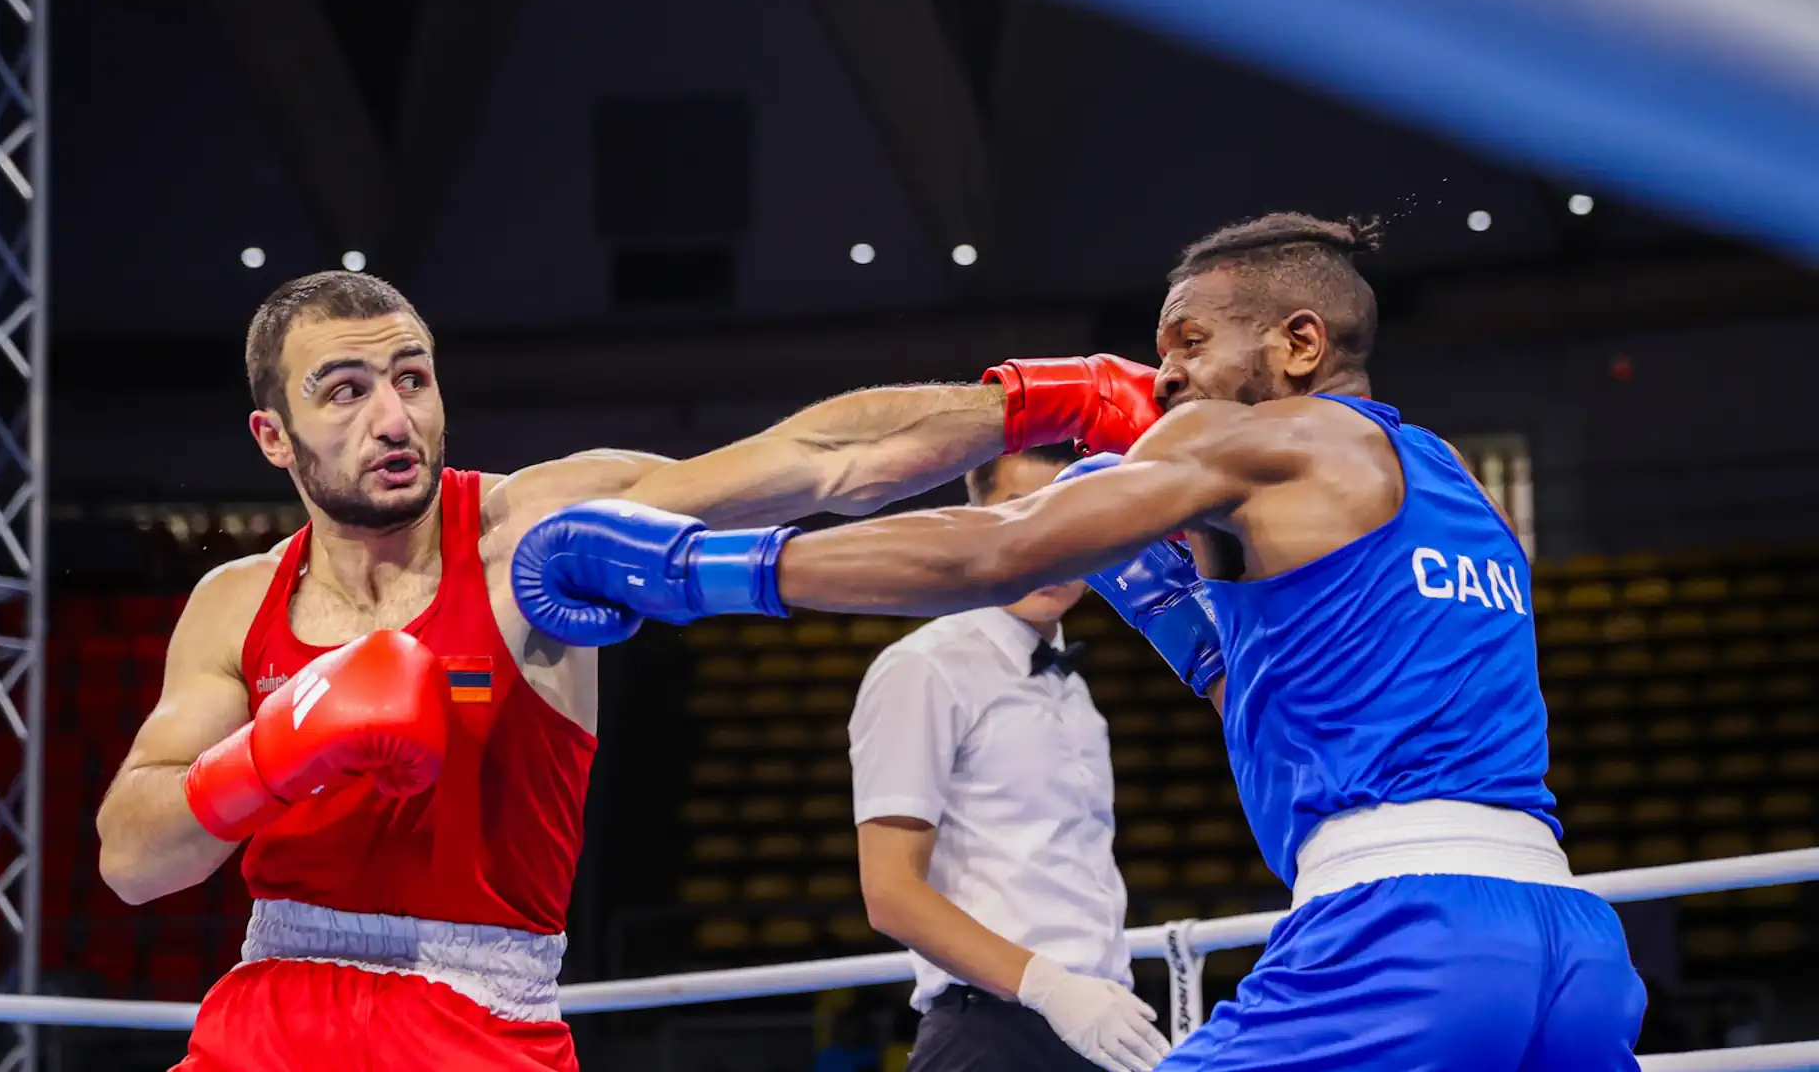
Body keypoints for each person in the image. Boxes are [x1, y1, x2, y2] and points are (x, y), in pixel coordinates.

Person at [512, 213, 1649, 1071]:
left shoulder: (1258, 443)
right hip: (1573, 949)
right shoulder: (1456, 487)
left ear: (1300, 342)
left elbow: (992, 551)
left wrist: (703, 572)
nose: (1167, 378)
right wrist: (1193, 632)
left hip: (1402, 936)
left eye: (1192, 342)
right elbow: (1324, 698)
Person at [93, 269, 1168, 1070]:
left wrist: (1051, 400)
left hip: (473, 1023)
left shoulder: (529, 530)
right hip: (264, 1014)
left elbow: (822, 461)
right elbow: (134, 862)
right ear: (273, 436)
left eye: (412, 379)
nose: (393, 418)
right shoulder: (236, 601)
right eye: (344, 391)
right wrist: (282, 750)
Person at [850, 444, 1168, 1072]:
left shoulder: (1074, 694)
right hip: (991, 1031)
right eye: (1023, 514)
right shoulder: (925, 667)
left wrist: (1080, 997)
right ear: (978, 525)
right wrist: (1049, 986)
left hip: (1098, 1025)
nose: (1047, 544)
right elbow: (889, 891)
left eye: (1069, 518)